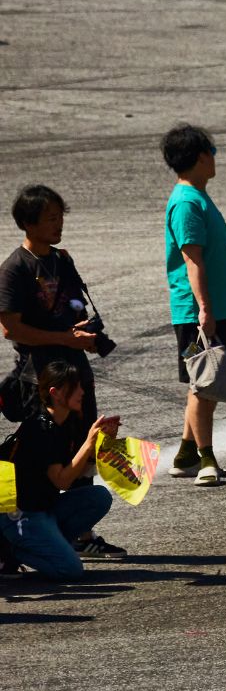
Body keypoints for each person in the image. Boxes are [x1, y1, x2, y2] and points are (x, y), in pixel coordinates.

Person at [0, 185, 123, 561]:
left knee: (84, 446)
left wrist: (83, 332)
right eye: (51, 218)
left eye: (60, 216)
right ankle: (29, 529)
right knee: (47, 453)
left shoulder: (61, 260)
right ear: (28, 223)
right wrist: (66, 339)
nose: (59, 224)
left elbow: (71, 307)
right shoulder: (15, 269)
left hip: (75, 372)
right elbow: (11, 329)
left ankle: (81, 535)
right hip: (42, 378)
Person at [161, 123, 226, 487]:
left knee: (204, 382)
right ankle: (207, 459)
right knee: (204, 385)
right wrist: (205, 310)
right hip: (201, 315)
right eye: (212, 152)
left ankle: (185, 455)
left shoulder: (196, 197)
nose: (215, 159)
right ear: (201, 156)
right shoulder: (187, 203)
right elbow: (192, 260)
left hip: (217, 309)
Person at [0, 362, 119, 582]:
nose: (82, 392)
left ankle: (49, 544)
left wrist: (102, 444)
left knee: (98, 497)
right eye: (75, 387)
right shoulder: (41, 429)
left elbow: (78, 472)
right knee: (70, 570)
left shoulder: (66, 422)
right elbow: (62, 481)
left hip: (45, 507)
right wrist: (88, 444)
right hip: (21, 515)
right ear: (55, 393)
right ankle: (10, 550)